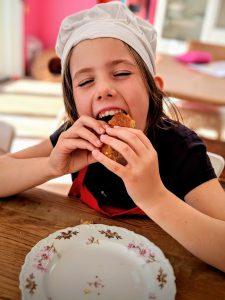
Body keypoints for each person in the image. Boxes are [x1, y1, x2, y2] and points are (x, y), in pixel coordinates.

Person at [0, 1, 225, 272]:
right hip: (82, 263)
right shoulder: (76, 137)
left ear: (155, 89)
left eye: (121, 73)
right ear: (73, 101)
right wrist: (50, 166)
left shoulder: (182, 150)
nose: (103, 89)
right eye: (85, 82)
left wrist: (155, 198)